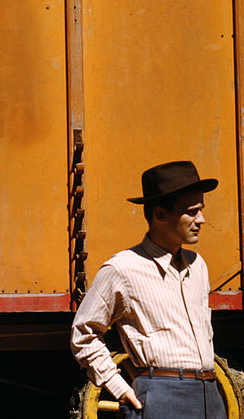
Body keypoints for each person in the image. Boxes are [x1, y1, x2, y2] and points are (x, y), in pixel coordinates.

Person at [71, 161, 226, 419]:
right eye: (192, 212)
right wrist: (117, 386)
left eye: (201, 210)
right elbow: (83, 335)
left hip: (211, 394)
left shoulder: (198, 266)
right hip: (161, 396)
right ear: (160, 215)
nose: (202, 220)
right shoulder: (122, 269)